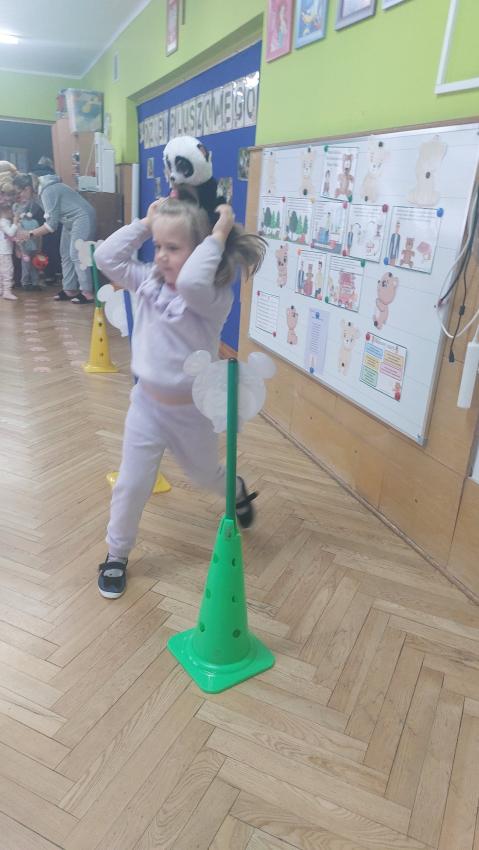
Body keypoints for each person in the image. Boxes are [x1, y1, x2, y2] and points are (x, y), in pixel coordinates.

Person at [94, 188, 266, 598]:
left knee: (206, 475)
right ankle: (117, 553)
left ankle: (236, 489)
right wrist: (145, 223)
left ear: (203, 250)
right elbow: (105, 258)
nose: (161, 256)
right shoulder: (146, 282)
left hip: (191, 413)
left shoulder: (210, 297)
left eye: (173, 248)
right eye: (157, 246)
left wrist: (220, 233)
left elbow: (191, 280)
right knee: (132, 484)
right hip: (146, 407)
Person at [28, 164, 96, 303]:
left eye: (19, 193)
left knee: (76, 254)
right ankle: (69, 289)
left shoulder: (48, 190)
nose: (19, 197)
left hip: (81, 217)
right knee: (65, 254)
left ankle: (87, 292)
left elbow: (51, 225)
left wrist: (29, 234)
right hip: (68, 219)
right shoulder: (36, 195)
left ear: (27, 188)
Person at [12, 173, 45, 291]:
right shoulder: (20, 223)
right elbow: (17, 236)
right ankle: (25, 283)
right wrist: (18, 249)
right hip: (24, 249)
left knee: (35, 265)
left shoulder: (35, 221)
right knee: (26, 265)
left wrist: (39, 248)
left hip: (34, 248)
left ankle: (35, 282)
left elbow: (39, 236)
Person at [0, 203, 18, 300]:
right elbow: (10, 233)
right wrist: (15, 223)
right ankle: (7, 292)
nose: (12, 213)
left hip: (3, 251)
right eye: (11, 211)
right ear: (5, 211)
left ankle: (1, 290)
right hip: (4, 251)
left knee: (1, 272)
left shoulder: (4, 222)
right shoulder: (3, 223)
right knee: (8, 271)